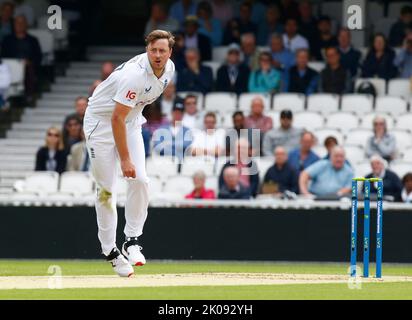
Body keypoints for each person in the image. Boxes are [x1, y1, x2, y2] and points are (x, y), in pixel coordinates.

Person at [83, 30, 176, 277]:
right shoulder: (134, 75)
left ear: (170, 52)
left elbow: (134, 109)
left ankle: (132, 240)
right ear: (147, 49)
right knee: (106, 191)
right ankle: (110, 251)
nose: (157, 55)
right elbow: (116, 118)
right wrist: (124, 158)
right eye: (153, 50)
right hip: (102, 124)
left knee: (141, 180)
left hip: (131, 121)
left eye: (162, 51)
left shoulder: (169, 70)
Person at [1, 15, 41, 104]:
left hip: (27, 68)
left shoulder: (33, 40)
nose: (20, 25)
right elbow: (3, 56)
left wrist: (28, 62)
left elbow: (38, 57)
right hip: (10, 67)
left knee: (30, 69)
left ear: (26, 24)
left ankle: (28, 96)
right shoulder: (7, 40)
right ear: (14, 25)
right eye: (17, 22)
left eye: (22, 22)